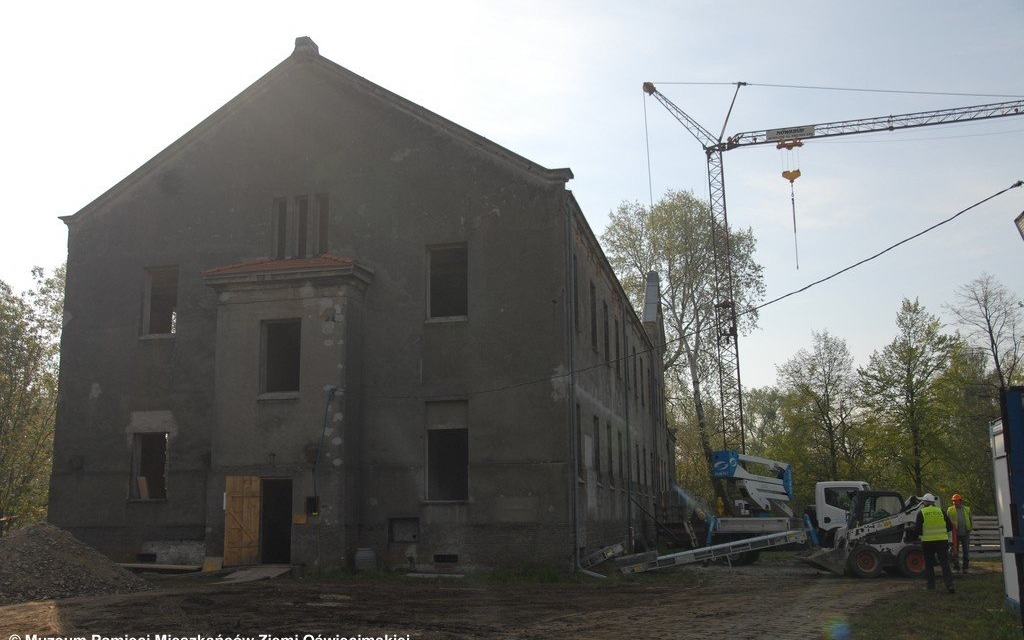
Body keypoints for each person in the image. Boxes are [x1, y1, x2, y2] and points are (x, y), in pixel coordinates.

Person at [916, 493, 955, 593]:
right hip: (942, 541)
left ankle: (931, 585)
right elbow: (950, 527)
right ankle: (949, 585)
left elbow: (918, 530)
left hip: (928, 543)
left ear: (924, 502)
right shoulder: (941, 511)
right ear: (933, 502)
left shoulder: (922, 513)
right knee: (944, 564)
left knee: (929, 564)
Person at [947, 493, 973, 573]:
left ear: (960, 501)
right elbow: (947, 521)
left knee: (966, 551)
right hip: (955, 534)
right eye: (953, 501)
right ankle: (956, 567)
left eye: (956, 501)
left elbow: (970, 519)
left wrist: (970, 528)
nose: (954, 502)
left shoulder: (967, 509)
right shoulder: (950, 510)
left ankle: (965, 566)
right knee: (955, 551)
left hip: (965, 533)